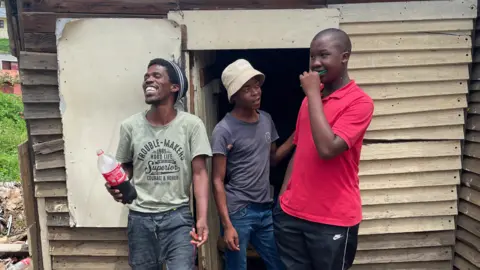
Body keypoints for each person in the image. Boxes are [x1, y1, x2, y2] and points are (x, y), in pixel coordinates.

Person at [273, 28, 374, 270]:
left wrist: (311, 93)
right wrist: (283, 199)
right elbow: (301, 147)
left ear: (344, 56)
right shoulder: (310, 99)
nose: (316, 62)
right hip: (291, 214)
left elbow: (327, 148)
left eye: (324, 55)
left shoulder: (360, 103)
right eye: (312, 56)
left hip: (333, 219)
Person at [105, 58, 212, 270]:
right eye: (146, 77)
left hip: (178, 217)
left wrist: (202, 219)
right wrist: (115, 185)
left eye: (156, 76)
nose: (148, 80)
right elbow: (126, 167)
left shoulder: (192, 125)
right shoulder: (130, 126)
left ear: (174, 87)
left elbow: (200, 174)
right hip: (140, 219)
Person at [211, 59, 295, 270]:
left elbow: (273, 159)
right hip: (239, 210)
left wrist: (298, 135)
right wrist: (227, 225)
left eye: (256, 85)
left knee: (278, 264)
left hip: (265, 208)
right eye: (246, 88)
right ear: (234, 96)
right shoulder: (224, 130)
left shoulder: (266, 119)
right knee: (237, 266)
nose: (255, 92)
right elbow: (217, 179)